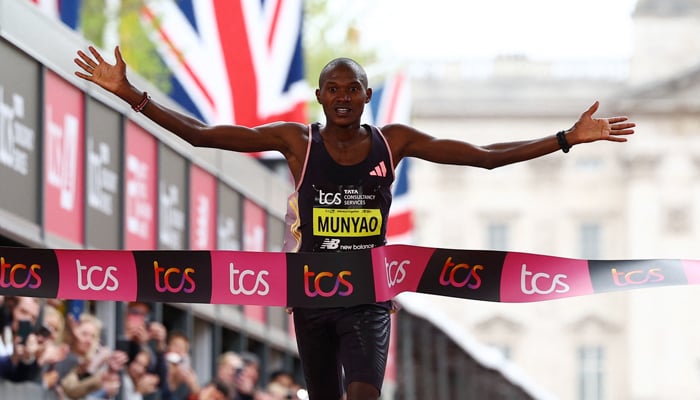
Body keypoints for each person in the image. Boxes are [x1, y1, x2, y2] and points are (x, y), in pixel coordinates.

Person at [73, 46, 635, 400]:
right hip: (312, 296)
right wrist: (131, 95)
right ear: (319, 98)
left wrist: (565, 139)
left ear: (367, 96)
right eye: (333, 90)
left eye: (353, 89)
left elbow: (483, 156)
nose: (343, 97)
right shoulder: (297, 141)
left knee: (362, 394)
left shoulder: (396, 141)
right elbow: (203, 135)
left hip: (368, 298)